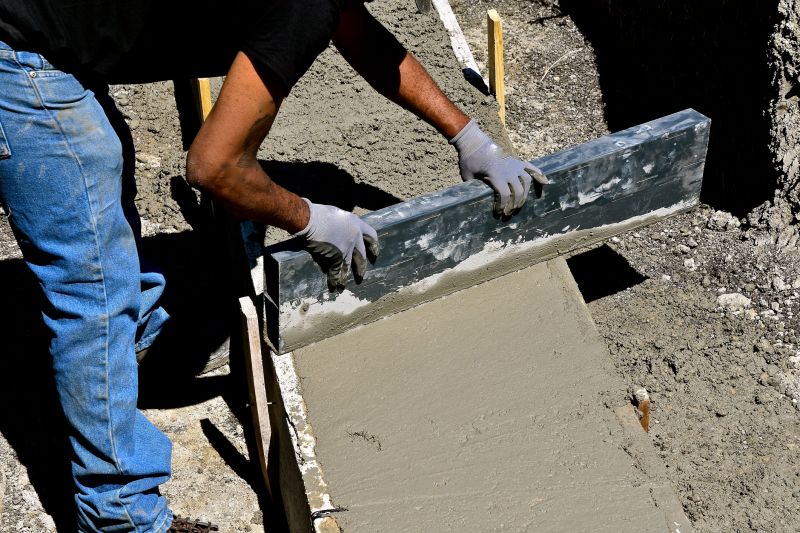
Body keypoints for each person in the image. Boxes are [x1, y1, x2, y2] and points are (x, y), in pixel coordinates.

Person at [0, 0, 547, 531]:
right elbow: (212, 167)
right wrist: (307, 219)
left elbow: (360, 33)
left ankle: (120, 350)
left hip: (56, 35)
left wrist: (467, 135)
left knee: (100, 214)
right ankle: (119, 514)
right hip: (18, 49)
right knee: (93, 290)